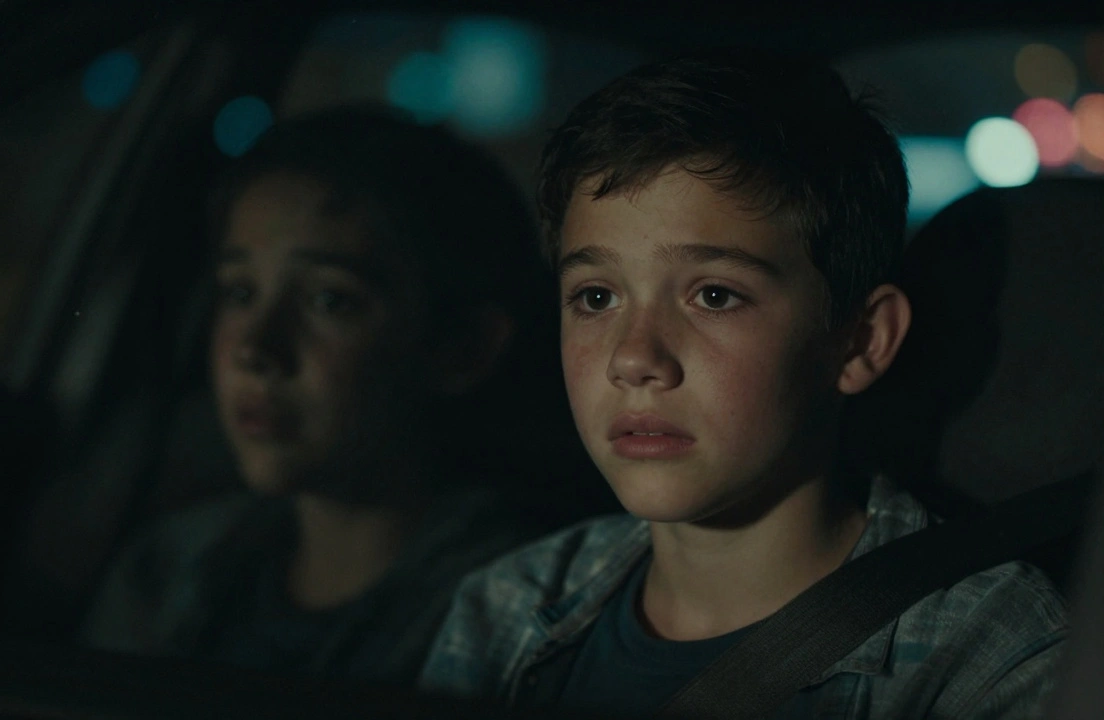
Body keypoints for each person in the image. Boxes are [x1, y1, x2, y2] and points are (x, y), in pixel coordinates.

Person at [418, 50, 1067, 718]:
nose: (634, 358)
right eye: (596, 297)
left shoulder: (988, 659)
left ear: (861, 341)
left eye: (716, 296)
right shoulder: (508, 609)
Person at [80, 106, 572, 687]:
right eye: (240, 291)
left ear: (462, 348)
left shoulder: (515, 618)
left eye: (330, 301)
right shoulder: (169, 571)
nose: (256, 349)